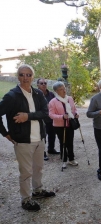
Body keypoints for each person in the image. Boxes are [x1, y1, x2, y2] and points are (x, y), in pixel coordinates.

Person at [0, 64, 55, 211]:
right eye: (22, 74)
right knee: (26, 172)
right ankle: (25, 199)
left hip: (39, 139)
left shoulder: (38, 94)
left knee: (38, 168)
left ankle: (37, 191)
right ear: (18, 76)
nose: (25, 78)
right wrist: (5, 133)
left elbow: (45, 113)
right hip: (23, 141)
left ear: (32, 77)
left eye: (28, 75)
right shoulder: (11, 96)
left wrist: (27, 116)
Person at [49, 81, 79, 169]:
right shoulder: (53, 102)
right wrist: (62, 116)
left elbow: (74, 109)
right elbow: (51, 115)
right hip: (59, 126)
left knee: (70, 142)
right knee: (63, 143)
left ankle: (71, 159)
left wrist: (76, 113)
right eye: (61, 89)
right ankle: (64, 160)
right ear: (56, 91)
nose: (64, 91)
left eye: (64, 88)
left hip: (70, 124)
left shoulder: (70, 98)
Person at [37, 78, 60, 161]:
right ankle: (42, 153)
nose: (44, 84)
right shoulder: (35, 94)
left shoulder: (51, 94)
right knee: (42, 137)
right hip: (41, 119)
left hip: (50, 118)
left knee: (52, 135)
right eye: (41, 83)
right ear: (38, 85)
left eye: (45, 83)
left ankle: (51, 149)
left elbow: (55, 103)